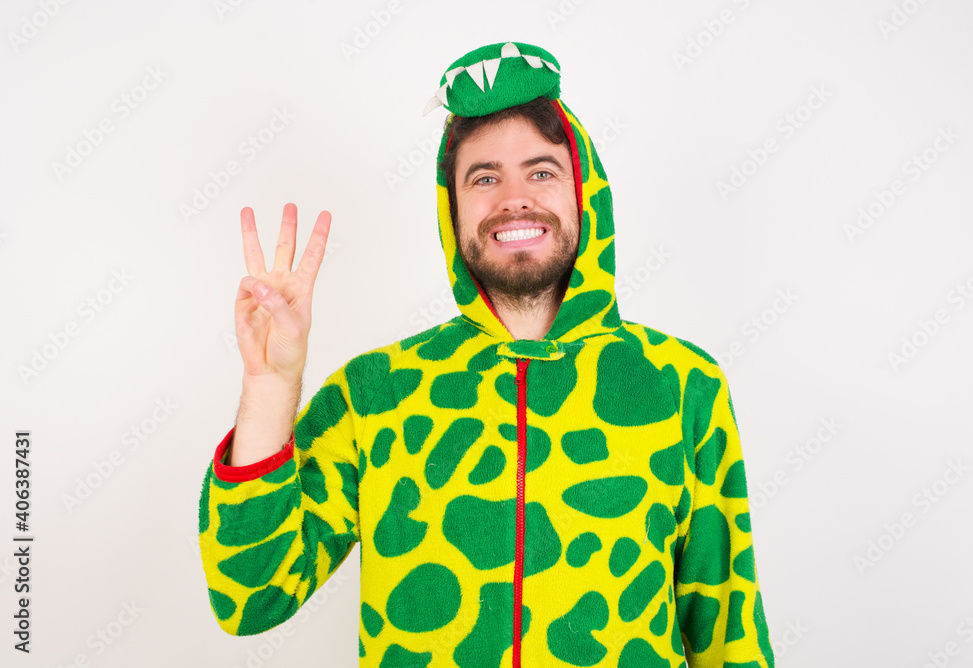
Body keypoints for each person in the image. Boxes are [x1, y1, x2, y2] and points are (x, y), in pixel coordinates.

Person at [198, 40, 775, 668]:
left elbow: (727, 635)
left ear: (587, 194)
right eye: (484, 177)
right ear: (453, 207)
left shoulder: (683, 386)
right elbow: (251, 597)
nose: (514, 198)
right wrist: (270, 384)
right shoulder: (375, 392)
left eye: (542, 171)